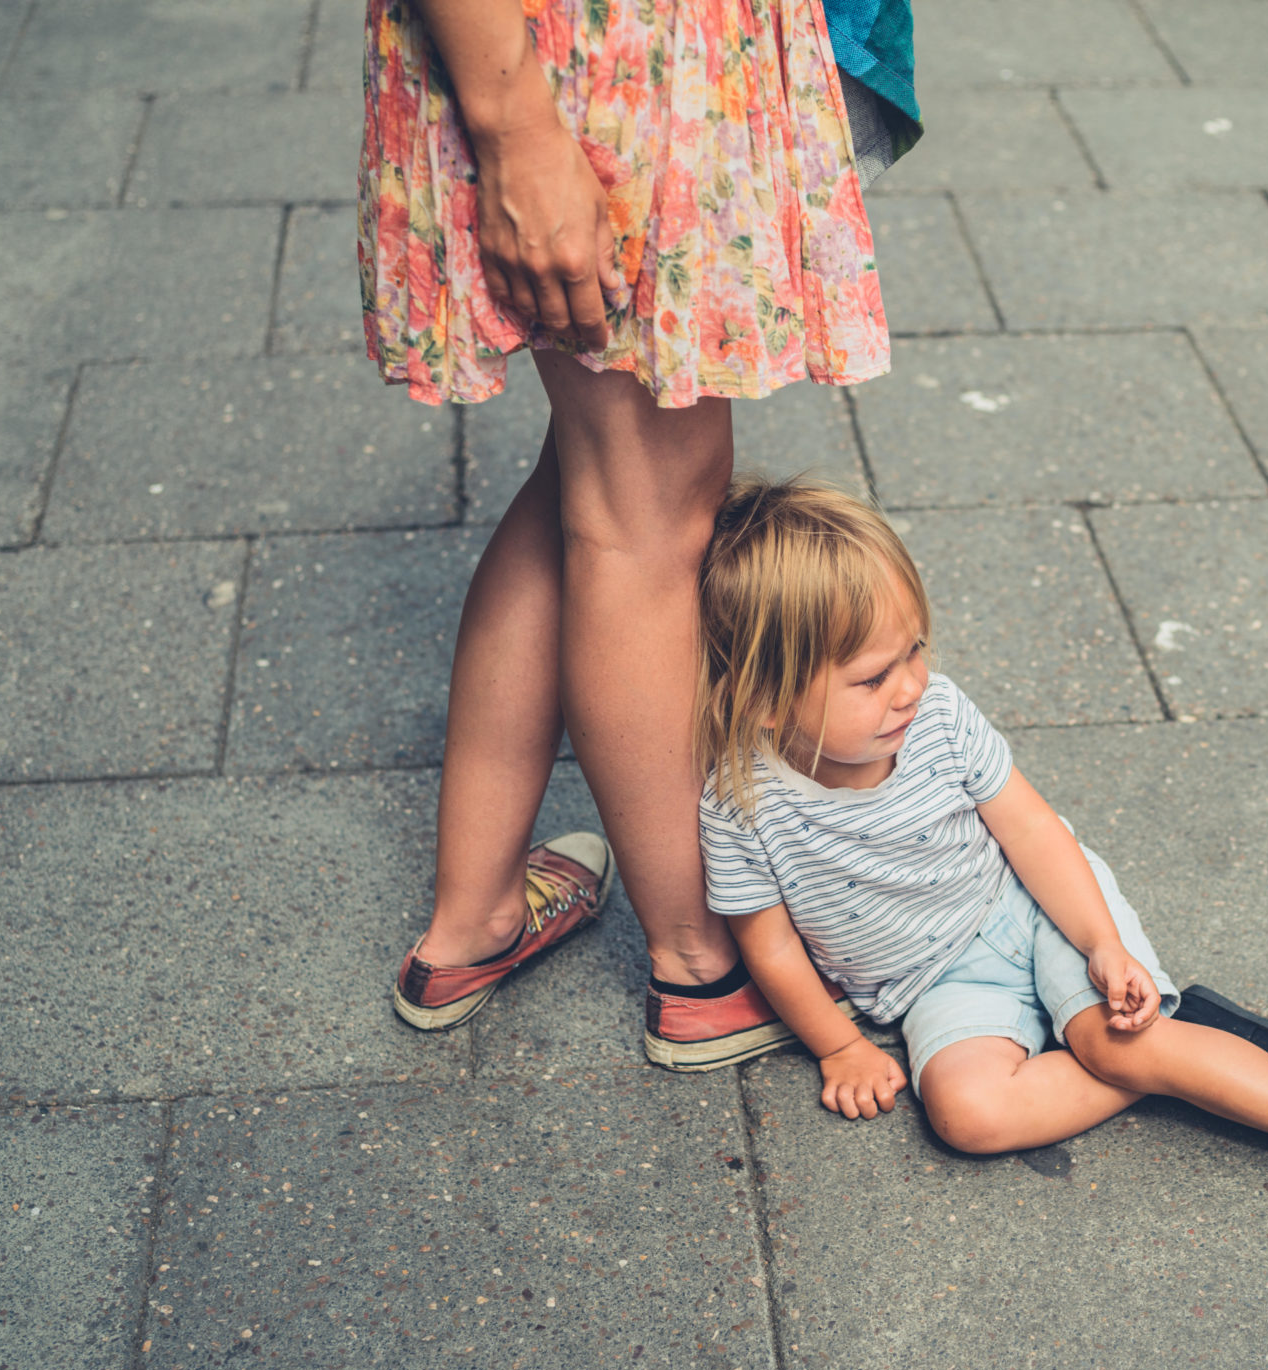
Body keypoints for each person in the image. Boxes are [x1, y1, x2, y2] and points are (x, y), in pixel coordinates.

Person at [692, 479, 1268, 1284]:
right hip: (933, 986)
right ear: (767, 700)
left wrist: (1099, 942)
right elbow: (769, 945)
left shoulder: (941, 722)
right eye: (874, 677)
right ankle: (1192, 1053)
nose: (911, 685)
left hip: (1030, 908)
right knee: (966, 1114)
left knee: (1104, 1039)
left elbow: (1033, 832)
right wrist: (841, 1046)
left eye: (916, 649)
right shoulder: (742, 802)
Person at [359, 0, 914, 1067]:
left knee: (598, 471)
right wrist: (518, 129)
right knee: (646, 510)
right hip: (594, 63)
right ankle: (701, 965)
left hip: (599, 56)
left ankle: (472, 922)